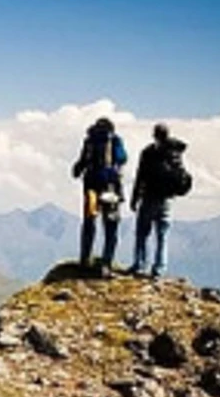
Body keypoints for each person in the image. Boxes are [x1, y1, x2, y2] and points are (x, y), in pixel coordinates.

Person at [130, 123, 189, 279]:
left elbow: (140, 176)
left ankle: (140, 265)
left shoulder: (149, 153)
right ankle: (159, 270)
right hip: (167, 199)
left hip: (150, 197)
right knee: (162, 236)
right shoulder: (175, 152)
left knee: (142, 233)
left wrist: (134, 198)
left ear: (154, 135)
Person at [70, 117, 126, 271]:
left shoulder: (89, 141)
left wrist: (77, 170)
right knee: (110, 226)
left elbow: (81, 162)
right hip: (110, 188)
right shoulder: (115, 140)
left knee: (89, 222)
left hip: (91, 188)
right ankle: (106, 264)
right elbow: (122, 158)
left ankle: (84, 259)